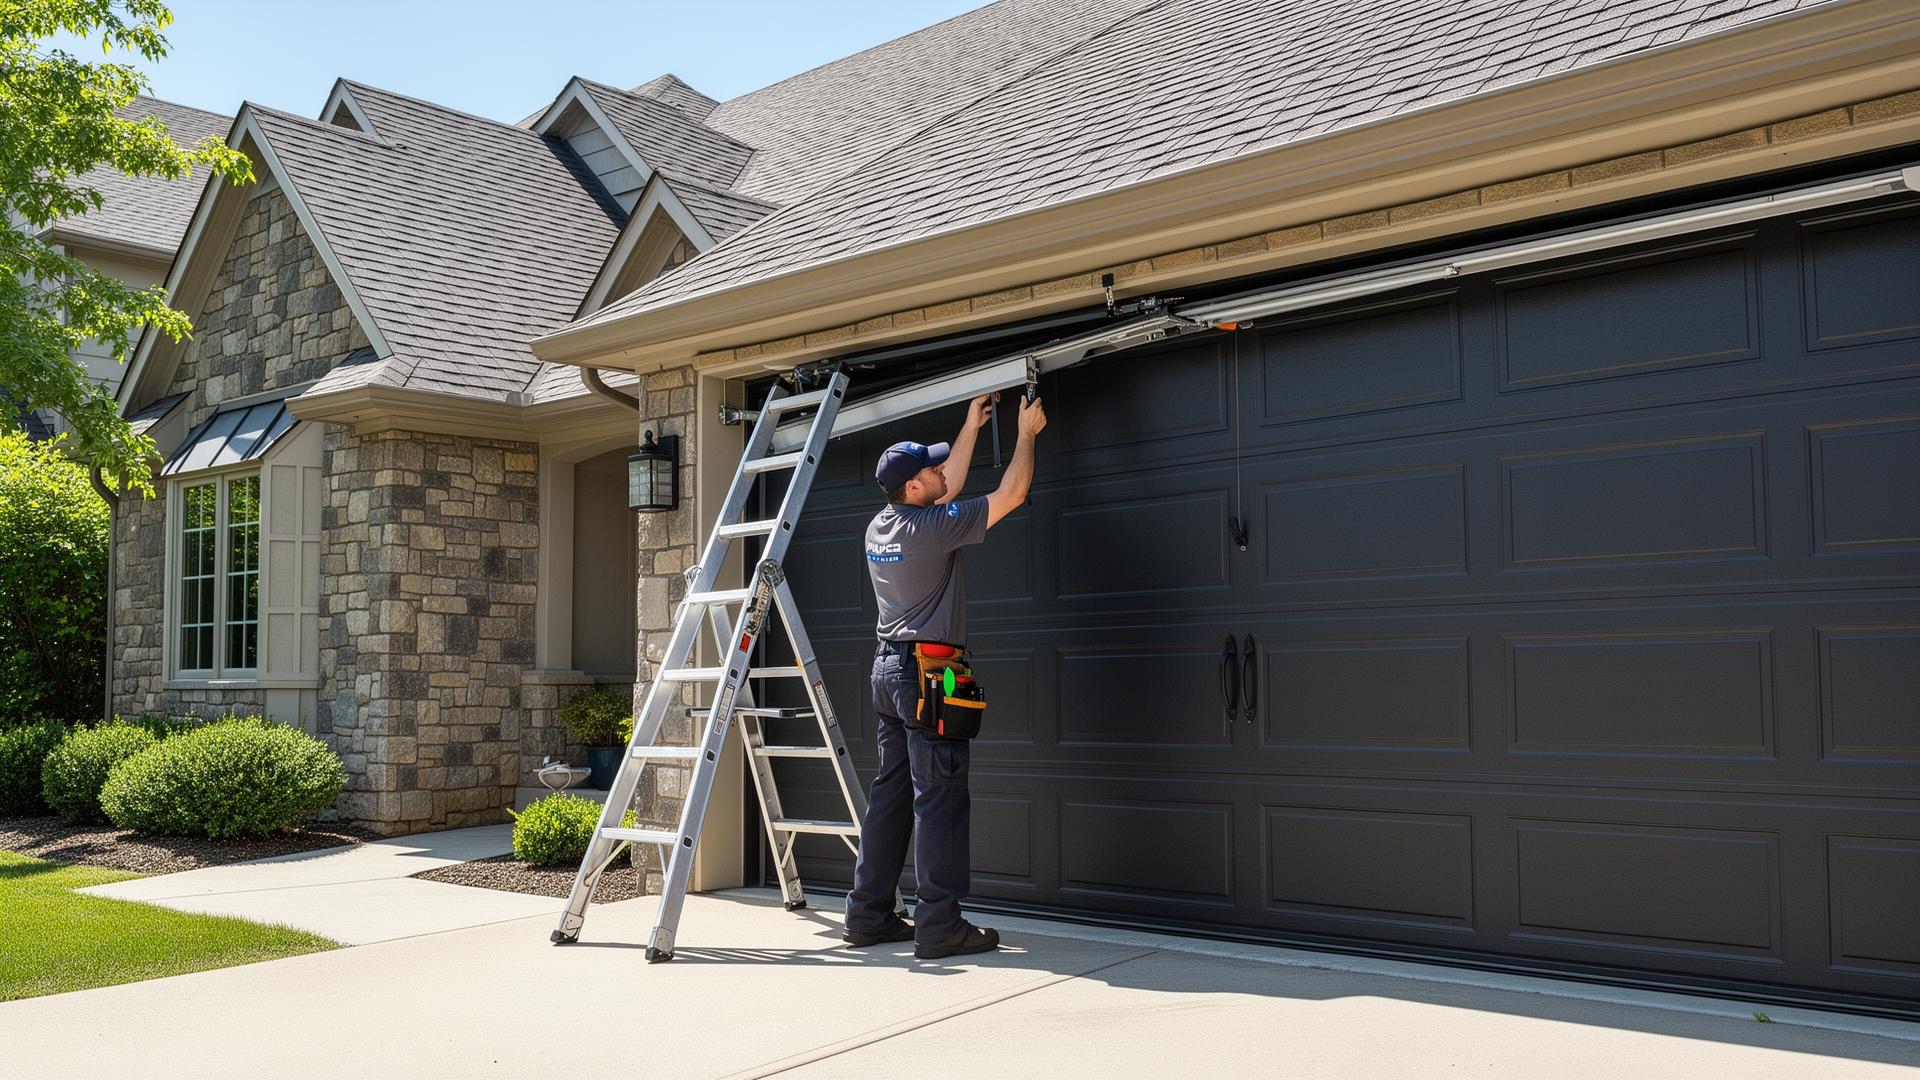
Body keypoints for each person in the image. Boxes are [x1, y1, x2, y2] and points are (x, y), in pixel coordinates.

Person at [842, 389, 1047, 959]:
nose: (940, 472)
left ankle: (868, 914)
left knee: (891, 795)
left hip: (888, 672)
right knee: (940, 797)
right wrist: (1026, 432)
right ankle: (940, 926)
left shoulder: (882, 524)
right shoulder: (931, 529)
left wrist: (971, 425)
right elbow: (1012, 494)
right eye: (930, 469)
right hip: (929, 675)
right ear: (914, 488)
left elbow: (946, 488)